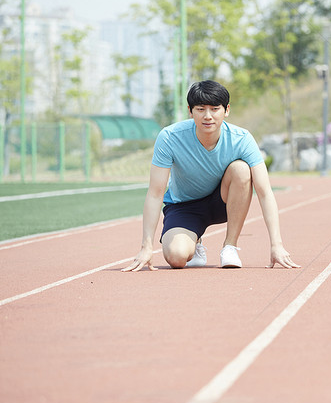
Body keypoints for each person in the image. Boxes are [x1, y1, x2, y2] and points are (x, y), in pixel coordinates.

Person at [122, 80, 300, 271]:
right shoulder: (170, 137)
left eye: (215, 109)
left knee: (241, 169)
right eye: (200, 109)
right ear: (190, 111)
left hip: (223, 202)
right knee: (176, 257)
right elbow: (156, 193)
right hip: (185, 207)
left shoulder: (242, 139)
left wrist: (276, 246)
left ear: (227, 110)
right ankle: (195, 241)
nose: (208, 116)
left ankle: (230, 247)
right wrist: (146, 247)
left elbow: (265, 192)